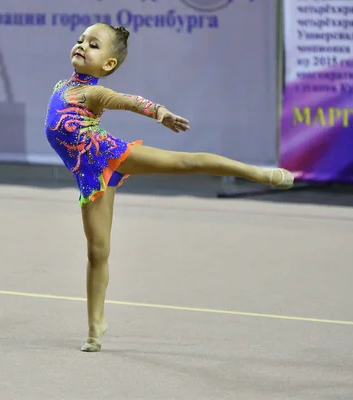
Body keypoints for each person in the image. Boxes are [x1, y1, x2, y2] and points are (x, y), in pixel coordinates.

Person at [44, 23, 294, 352]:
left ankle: (259, 174)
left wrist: (159, 112)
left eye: (93, 45)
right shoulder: (63, 85)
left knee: (185, 162)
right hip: (89, 178)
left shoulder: (93, 92)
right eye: (80, 40)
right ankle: (95, 325)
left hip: (109, 155)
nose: (81, 46)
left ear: (108, 65)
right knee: (97, 252)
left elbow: (127, 100)